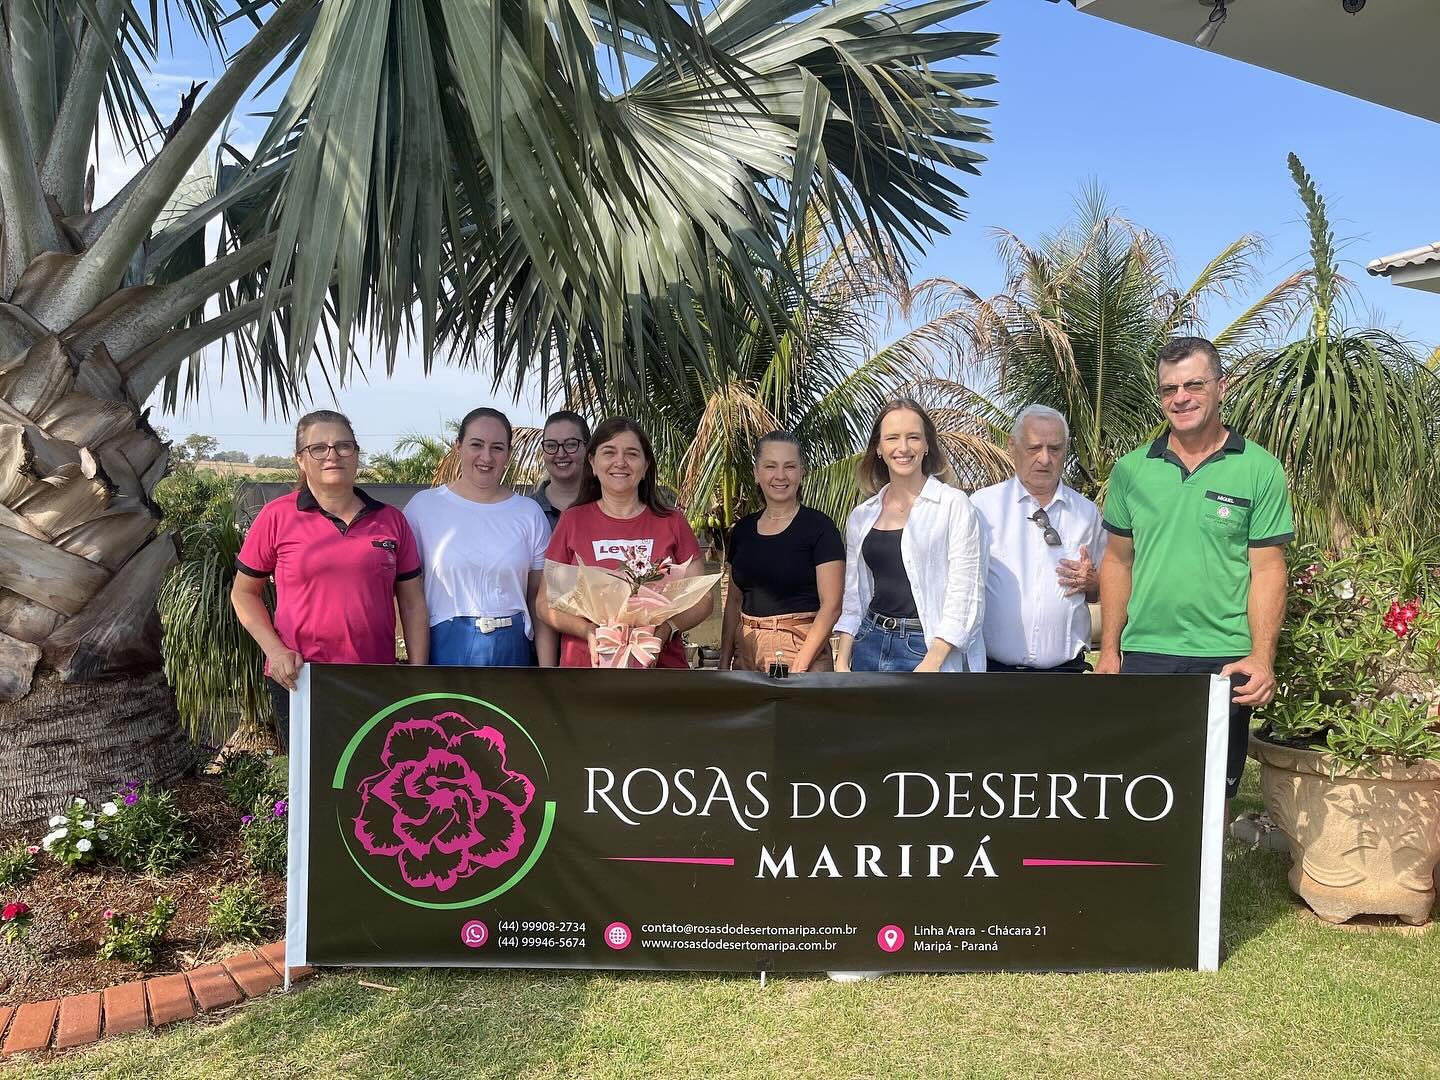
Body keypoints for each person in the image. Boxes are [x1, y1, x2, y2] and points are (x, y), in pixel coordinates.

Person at [1096, 336, 1292, 801]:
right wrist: (1109, 652)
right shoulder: (1130, 471)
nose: (1180, 398)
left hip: (1224, 657)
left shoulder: (1259, 469)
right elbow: (1117, 562)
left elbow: (1268, 571)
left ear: (1221, 387)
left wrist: (1261, 657)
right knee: (1138, 790)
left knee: (1211, 797)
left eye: (1194, 385)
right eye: (1169, 389)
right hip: (1145, 655)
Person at [231, 410, 428, 747]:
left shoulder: (391, 521)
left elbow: (412, 604)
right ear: (300, 459)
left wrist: (417, 673)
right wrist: (275, 651)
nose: (332, 455)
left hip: (376, 678)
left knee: (373, 774)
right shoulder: (277, 516)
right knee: (310, 779)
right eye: (318, 448)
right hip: (300, 678)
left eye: (343, 446)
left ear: (356, 454)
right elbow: (244, 594)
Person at [536, 417, 714, 667]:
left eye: (632, 454)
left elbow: (703, 600)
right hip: (586, 669)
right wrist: (587, 631)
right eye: (609, 452)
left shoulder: (672, 521)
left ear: (646, 465)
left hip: (660, 668)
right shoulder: (572, 520)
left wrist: (666, 629)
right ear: (592, 462)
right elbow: (544, 603)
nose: (620, 462)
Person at [834, 399, 985, 674]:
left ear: (927, 445)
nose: (903, 448)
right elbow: (855, 597)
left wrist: (932, 662)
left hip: (925, 649)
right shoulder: (861, 516)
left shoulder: (954, 505)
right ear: (878, 448)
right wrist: (842, 659)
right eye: (892, 438)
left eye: (913, 437)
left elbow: (965, 593)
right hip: (869, 643)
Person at [403, 407, 556, 667]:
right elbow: (408, 598)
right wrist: (417, 671)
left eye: (497, 448)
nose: (486, 456)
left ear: (508, 454)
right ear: (458, 446)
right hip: (444, 649)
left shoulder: (529, 513)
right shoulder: (423, 507)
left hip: (512, 651)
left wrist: (547, 673)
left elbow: (539, 601)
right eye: (476, 444)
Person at [970, 405, 1105, 673]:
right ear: (1012, 446)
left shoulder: (1087, 513)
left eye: (1054, 449)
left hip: (1066, 673)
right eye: (1034, 448)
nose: (1044, 459)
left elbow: (1108, 585)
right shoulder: (981, 507)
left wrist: (1094, 582)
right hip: (993, 673)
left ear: (1067, 449)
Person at [719, 432, 845, 673]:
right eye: (770, 466)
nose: (780, 475)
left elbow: (832, 606)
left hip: (800, 647)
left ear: (801, 472)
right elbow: (734, 601)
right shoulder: (742, 530)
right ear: (756, 473)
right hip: (746, 649)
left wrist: (799, 666)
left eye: (789, 466)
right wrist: (724, 661)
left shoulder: (820, 528)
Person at [528, 410, 590, 528]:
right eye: (551, 445)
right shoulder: (525, 511)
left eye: (571, 444)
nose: (561, 454)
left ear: (588, 448)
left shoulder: (610, 507)